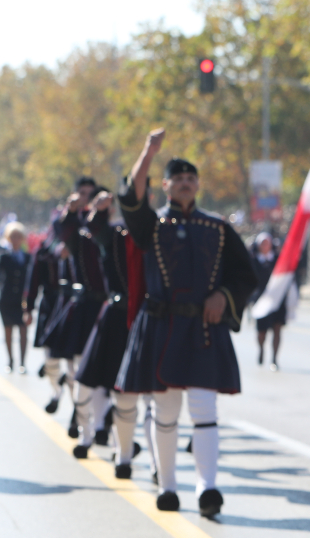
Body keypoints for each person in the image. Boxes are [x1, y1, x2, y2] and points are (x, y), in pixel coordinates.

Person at [116, 128, 256, 516]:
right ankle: (169, 486)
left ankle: (207, 489)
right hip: (162, 328)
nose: (185, 184)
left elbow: (245, 276)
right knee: (165, 413)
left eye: (191, 179)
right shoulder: (152, 225)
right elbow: (131, 197)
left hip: (204, 331)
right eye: (177, 179)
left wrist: (222, 297)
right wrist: (148, 150)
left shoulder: (218, 227)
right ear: (164, 186)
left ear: (198, 185)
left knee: (205, 412)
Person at [71, 190, 141, 477]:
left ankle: (125, 456)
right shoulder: (113, 234)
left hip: (145, 319)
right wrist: (99, 210)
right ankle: (87, 435)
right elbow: (93, 230)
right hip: (113, 317)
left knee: (140, 397)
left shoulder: (156, 232)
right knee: (84, 382)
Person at [25, 177, 96, 413]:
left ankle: (80, 411)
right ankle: (56, 391)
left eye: (89, 194)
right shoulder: (63, 222)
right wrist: (28, 305)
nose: (85, 198)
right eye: (81, 193)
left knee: (75, 362)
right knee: (51, 359)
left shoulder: (94, 224)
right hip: (54, 299)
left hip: (78, 301)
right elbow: (43, 260)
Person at [249, 232, 286, 370]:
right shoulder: (253, 260)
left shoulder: (278, 259)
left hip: (277, 300)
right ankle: (261, 349)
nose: (265, 246)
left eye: (267, 242)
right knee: (261, 331)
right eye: (262, 243)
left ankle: (275, 358)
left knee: (277, 329)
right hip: (261, 300)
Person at [0, 222, 30, 373]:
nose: (16, 239)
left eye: (18, 236)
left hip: (22, 300)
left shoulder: (28, 257)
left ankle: (23, 362)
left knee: (23, 330)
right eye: (13, 237)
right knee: (8, 331)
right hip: (6, 299)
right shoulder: (3, 257)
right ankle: (10, 360)